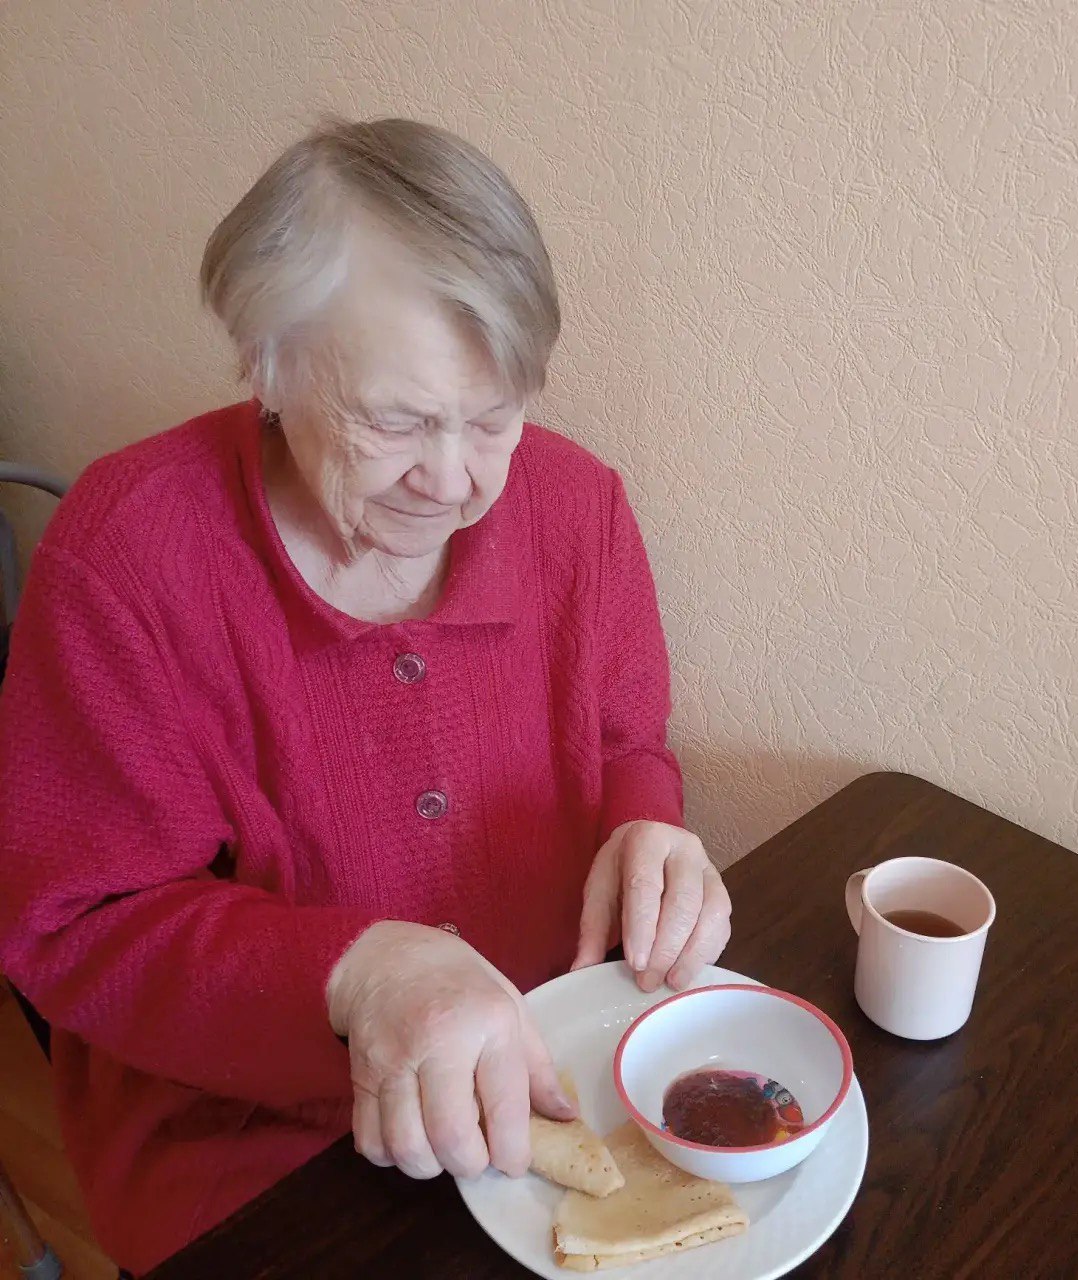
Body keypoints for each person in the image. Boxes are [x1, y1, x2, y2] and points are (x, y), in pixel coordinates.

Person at [0, 118, 731, 1274]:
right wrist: (356, 971)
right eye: (395, 421)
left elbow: (623, 734)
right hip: (256, 1147)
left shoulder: (578, 507)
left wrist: (649, 826)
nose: (452, 480)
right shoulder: (126, 557)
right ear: (267, 364)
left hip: (552, 1068)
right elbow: (72, 922)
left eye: (492, 417)